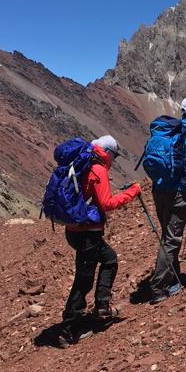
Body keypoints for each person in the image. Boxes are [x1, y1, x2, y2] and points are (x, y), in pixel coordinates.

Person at [61, 136, 140, 334]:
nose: (114, 160)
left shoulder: (83, 163)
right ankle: (69, 327)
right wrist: (132, 192)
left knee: (109, 259)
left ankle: (102, 306)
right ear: (108, 152)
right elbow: (106, 203)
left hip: (75, 229)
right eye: (115, 156)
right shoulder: (98, 169)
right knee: (84, 278)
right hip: (88, 233)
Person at [150, 96, 186, 304]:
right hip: (180, 193)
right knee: (172, 238)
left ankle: (173, 277)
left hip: (159, 189)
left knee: (167, 233)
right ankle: (158, 287)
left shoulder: (168, 132)